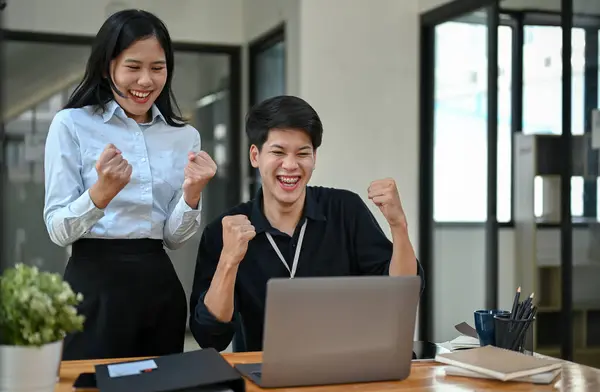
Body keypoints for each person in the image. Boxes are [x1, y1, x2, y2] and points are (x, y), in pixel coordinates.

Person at [43, 9, 217, 360]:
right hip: (92, 286)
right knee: (89, 387)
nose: (146, 81)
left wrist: (192, 195)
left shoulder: (184, 137)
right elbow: (58, 230)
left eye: (157, 68)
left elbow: (172, 238)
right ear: (109, 66)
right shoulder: (71, 124)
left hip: (158, 285)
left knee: (162, 388)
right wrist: (101, 194)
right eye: (133, 67)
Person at [189, 95, 424, 352]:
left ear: (314, 157)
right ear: (255, 156)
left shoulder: (345, 209)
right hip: (263, 374)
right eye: (278, 152)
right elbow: (210, 337)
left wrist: (398, 225)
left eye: (303, 153)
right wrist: (229, 260)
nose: (290, 165)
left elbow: (399, 296)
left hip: (348, 367)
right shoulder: (223, 231)